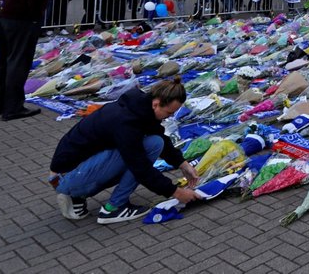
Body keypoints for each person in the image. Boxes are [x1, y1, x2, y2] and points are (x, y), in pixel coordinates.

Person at [50, 77, 200, 224]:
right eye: (169, 113)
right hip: (66, 177)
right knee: (141, 154)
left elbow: (158, 135)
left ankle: (76, 196)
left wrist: (183, 164)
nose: (170, 117)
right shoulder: (127, 122)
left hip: (69, 172)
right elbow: (140, 167)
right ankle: (114, 208)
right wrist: (176, 193)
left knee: (155, 142)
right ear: (156, 103)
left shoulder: (140, 107)